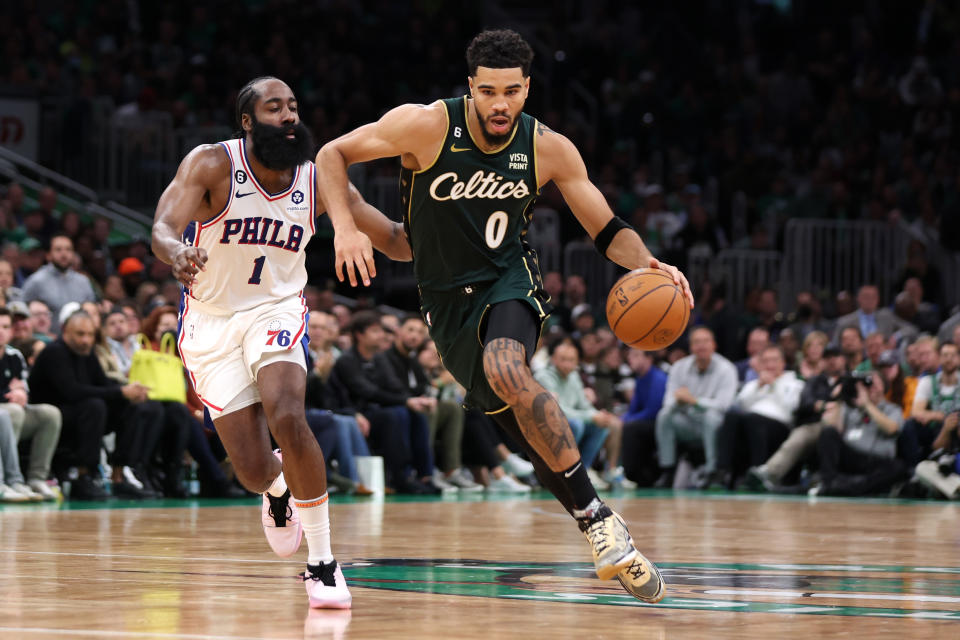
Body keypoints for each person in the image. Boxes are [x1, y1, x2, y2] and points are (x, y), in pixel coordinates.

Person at [318, 29, 694, 602]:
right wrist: (346, 226)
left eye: (512, 92)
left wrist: (649, 264)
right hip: (444, 303)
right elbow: (331, 155)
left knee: (507, 367)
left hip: (507, 281)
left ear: (527, 88)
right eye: (489, 91)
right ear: (470, 86)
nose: (500, 104)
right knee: (529, 440)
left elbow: (606, 229)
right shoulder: (424, 126)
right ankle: (601, 522)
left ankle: (600, 527)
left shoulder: (549, 147)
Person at [151, 76, 410, 608]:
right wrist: (176, 251)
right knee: (249, 470)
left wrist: (454, 232)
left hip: (276, 309)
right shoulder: (211, 164)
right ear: (247, 121)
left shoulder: (318, 182)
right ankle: (276, 491)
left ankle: (322, 561)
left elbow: (394, 240)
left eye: (293, 106)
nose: (289, 115)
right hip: (211, 321)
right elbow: (162, 226)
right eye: (274, 108)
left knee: (289, 415)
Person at [653, 326, 738, 488]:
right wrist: (679, 400)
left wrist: (695, 401)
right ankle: (667, 470)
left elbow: (723, 405)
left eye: (706, 341)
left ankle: (712, 471)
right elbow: (668, 401)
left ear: (714, 345)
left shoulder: (727, 369)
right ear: (691, 347)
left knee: (711, 417)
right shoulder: (679, 367)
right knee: (665, 415)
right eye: (697, 342)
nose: (701, 346)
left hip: (717, 424)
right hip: (687, 422)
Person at [0, 307, 62, 500]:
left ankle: (37, 478)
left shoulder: (15, 356)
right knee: (10, 412)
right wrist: (9, 393)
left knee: (49, 414)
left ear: (11, 331)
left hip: (11, 411)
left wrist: (20, 393)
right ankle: (8, 480)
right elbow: (12, 394)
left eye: (5, 326)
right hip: (6, 413)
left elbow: (23, 392)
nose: (1, 331)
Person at [20, 235, 97, 332]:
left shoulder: (83, 281)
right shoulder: (36, 281)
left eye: (68, 249)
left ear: (73, 254)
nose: (64, 254)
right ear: (48, 255)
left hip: (79, 340)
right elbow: (22, 311)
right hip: (48, 341)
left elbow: (92, 312)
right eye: (58, 249)